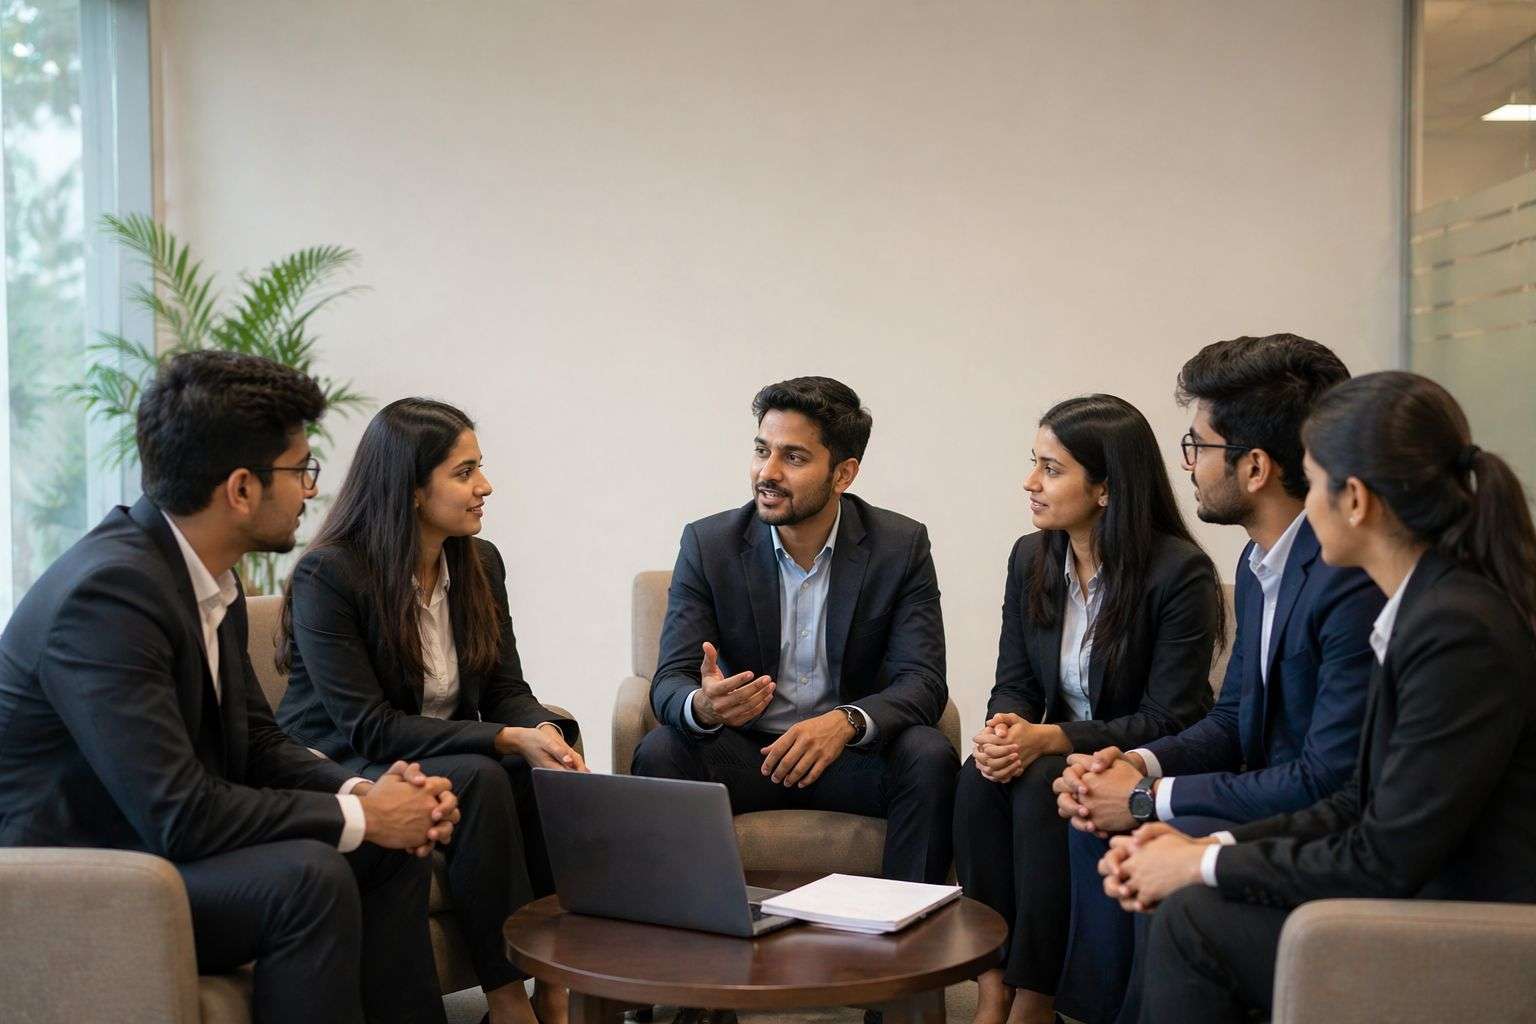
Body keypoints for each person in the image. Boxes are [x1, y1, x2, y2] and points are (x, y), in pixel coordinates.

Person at [0, 351, 460, 1024]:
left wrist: (363, 794)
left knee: (389, 856)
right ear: (241, 489)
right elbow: (179, 812)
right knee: (308, 877)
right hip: (82, 874)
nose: (311, 490)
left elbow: (260, 743)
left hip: (149, 845)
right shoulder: (108, 596)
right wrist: (363, 818)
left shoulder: (207, 574)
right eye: (300, 469)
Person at [1100, 371, 1536, 1024]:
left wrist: (1206, 861)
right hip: (1417, 891)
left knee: (1195, 922)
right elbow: (1354, 804)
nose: (1305, 504)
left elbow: (1383, 855)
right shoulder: (1427, 608)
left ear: (1354, 499)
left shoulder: (1455, 630)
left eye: (1312, 479)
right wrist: (1200, 848)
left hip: (1467, 927)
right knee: (1189, 900)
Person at [1048, 335, 1383, 1024]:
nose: (1188, 465)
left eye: (1197, 446)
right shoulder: (1263, 568)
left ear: (1254, 466)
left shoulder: (1347, 579)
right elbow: (1233, 720)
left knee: (1139, 828)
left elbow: (1329, 777)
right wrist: (1134, 763)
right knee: (1091, 809)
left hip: (1315, 818)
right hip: (1272, 798)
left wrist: (1148, 799)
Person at [632, 376, 957, 1024]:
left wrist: (845, 722)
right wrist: (705, 705)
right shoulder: (710, 543)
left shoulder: (900, 545)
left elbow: (923, 681)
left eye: (793, 456)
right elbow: (667, 679)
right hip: (743, 755)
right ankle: (698, 990)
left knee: (928, 754)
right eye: (761, 449)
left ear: (845, 472)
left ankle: (899, 995)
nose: (767, 472)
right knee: (663, 748)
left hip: (847, 759)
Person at [278, 398, 583, 1024]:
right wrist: (503, 739)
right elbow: (367, 724)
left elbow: (505, 688)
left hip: (437, 744)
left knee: (545, 764)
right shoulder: (330, 575)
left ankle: (555, 989)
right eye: (464, 472)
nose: (485, 487)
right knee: (484, 771)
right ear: (412, 489)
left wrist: (541, 731)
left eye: (481, 468)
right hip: (346, 756)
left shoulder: (479, 562)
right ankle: (506, 1001)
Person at [953, 394, 1222, 1024]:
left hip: (1135, 758)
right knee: (977, 778)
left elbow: (1172, 716)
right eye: (1034, 463)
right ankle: (992, 982)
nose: (1031, 483)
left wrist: (1050, 739)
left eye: (1051, 469)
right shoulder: (1032, 556)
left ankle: (1037, 997)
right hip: (1055, 745)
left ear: (1104, 488)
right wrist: (1004, 728)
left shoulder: (1178, 573)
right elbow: (1014, 679)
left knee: (1045, 778)